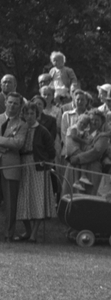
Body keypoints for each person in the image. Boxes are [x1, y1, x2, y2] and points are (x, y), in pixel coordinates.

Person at [16, 99, 56, 240]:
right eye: (27, 113)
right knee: (22, 200)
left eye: (32, 113)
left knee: (38, 200)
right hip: (22, 166)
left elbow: (52, 151)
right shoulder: (20, 128)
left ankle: (34, 234)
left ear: (37, 114)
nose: (29, 116)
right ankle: (28, 231)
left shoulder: (42, 131)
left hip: (38, 167)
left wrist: (46, 162)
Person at [0, 93, 28, 240]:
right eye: (10, 102)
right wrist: (7, 141)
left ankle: (9, 234)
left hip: (10, 167)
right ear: (5, 102)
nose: (12, 105)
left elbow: (18, 143)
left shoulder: (22, 125)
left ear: (20, 106)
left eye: (15, 103)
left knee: (10, 204)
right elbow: (11, 142)